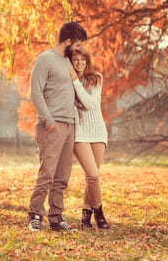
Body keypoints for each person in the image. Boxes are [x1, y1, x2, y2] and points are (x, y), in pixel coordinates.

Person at [27, 21, 87, 232]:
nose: (79, 49)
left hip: (70, 125)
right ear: (68, 41)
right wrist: (48, 119)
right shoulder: (45, 60)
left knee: (62, 176)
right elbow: (35, 92)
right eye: (78, 44)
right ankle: (35, 215)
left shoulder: (67, 62)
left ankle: (56, 217)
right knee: (47, 174)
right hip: (52, 125)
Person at [68, 48, 111, 230]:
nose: (79, 63)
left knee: (92, 177)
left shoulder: (95, 79)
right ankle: (99, 212)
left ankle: (86, 216)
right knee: (93, 174)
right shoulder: (65, 82)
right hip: (79, 133)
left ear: (87, 62)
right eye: (75, 60)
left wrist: (76, 82)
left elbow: (90, 104)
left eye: (82, 60)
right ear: (70, 63)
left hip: (98, 131)